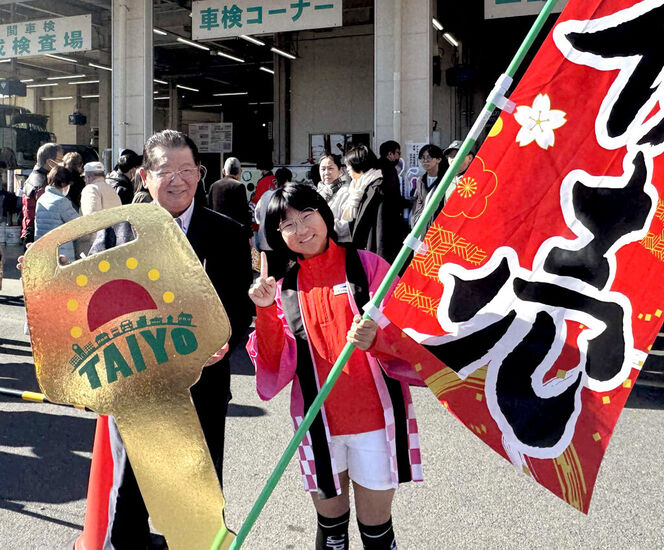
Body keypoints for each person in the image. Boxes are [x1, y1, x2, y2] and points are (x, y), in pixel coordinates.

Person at [93, 130, 254, 549]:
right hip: (136, 390)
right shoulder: (116, 232)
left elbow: (239, 306)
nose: (178, 180)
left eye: (187, 170)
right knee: (130, 496)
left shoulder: (229, 233)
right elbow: (92, 305)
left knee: (198, 497)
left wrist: (226, 340)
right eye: (166, 171)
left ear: (201, 174)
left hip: (204, 383)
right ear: (145, 176)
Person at [247, 182, 423, 549]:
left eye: (307, 215)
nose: (301, 229)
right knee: (332, 531)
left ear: (323, 214)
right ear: (278, 236)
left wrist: (377, 338)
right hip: (317, 423)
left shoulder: (369, 266)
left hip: (376, 420)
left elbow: (410, 330)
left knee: (377, 530)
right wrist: (264, 312)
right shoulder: (284, 289)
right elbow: (273, 358)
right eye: (287, 225)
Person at [342, 145, 392, 260]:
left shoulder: (378, 188)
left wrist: (379, 260)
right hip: (362, 252)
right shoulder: (357, 188)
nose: (347, 169)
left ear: (358, 164)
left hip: (373, 253)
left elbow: (382, 230)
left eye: (348, 165)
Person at [34, 165, 79, 262]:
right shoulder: (62, 201)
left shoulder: (41, 199)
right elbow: (78, 223)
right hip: (61, 252)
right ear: (63, 184)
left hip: (43, 249)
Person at [21, 142, 62, 246]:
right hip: (39, 235)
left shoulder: (31, 177)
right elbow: (47, 213)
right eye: (59, 160)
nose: (62, 164)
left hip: (29, 231)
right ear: (49, 162)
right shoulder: (42, 183)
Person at [256, 167, 293, 278]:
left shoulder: (266, 195)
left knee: (267, 275)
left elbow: (257, 216)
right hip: (282, 244)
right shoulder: (288, 196)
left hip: (264, 242)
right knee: (282, 277)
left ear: (275, 180)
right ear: (289, 181)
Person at [208, 156, 252, 238]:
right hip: (234, 234)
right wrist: (249, 235)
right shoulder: (239, 186)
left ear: (223, 171)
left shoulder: (213, 186)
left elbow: (209, 209)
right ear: (240, 172)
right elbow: (244, 213)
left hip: (216, 233)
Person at [377, 141, 407, 260]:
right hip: (389, 219)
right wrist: (405, 203)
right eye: (398, 153)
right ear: (390, 154)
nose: (399, 157)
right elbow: (392, 196)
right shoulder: (388, 170)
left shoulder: (378, 168)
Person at [409, 144, 448, 230]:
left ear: (438, 159)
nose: (425, 160)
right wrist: (414, 220)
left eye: (429, 157)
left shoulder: (446, 180)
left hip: (440, 227)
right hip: (423, 228)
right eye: (422, 157)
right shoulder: (420, 180)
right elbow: (419, 203)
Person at [317, 153, 350, 240]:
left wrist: (319, 223)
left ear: (340, 170)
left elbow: (346, 226)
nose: (326, 172)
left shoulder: (347, 192)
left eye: (330, 168)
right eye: (323, 169)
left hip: (339, 244)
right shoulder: (319, 192)